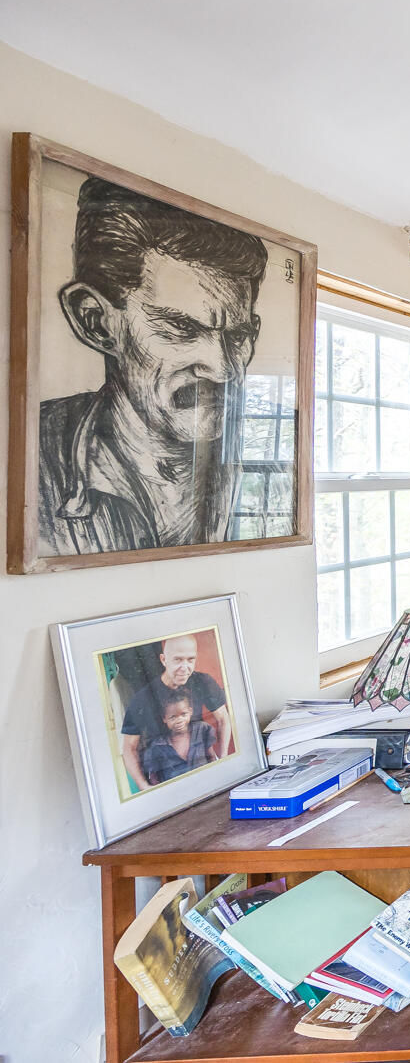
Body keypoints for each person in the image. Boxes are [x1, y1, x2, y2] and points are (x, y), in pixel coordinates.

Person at [39, 177, 270, 557]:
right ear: (95, 321)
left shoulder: (262, 459)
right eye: (181, 328)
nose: (223, 370)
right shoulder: (32, 456)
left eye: (238, 335)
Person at [119, 633, 233, 792]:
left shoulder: (203, 681)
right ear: (163, 659)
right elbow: (129, 748)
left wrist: (224, 759)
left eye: (190, 660)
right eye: (178, 660)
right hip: (167, 776)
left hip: (202, 767)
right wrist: (143, 786)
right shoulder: (142, 698)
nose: (184, 667)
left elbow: (223, 719)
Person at [136, 689, 220, 787]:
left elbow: (211, 757)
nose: (179, 720)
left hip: (206, 785)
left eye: (183, 714)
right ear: (164, 718)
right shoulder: (157, 746)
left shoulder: (201, 730)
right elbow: (154, 777)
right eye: (173, 717)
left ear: (190, 711)